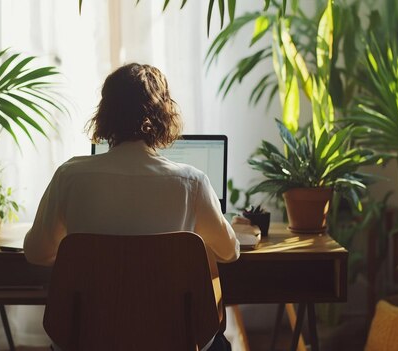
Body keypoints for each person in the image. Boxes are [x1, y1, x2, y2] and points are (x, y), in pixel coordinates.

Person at [24, 63, 243, 350]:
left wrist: (93, 257)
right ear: (164, 114)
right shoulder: (192, 182)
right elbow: (230, 252)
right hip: (173, 342)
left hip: (87, 343)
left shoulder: (69, 176)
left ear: (105, 114)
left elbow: (36, 253)